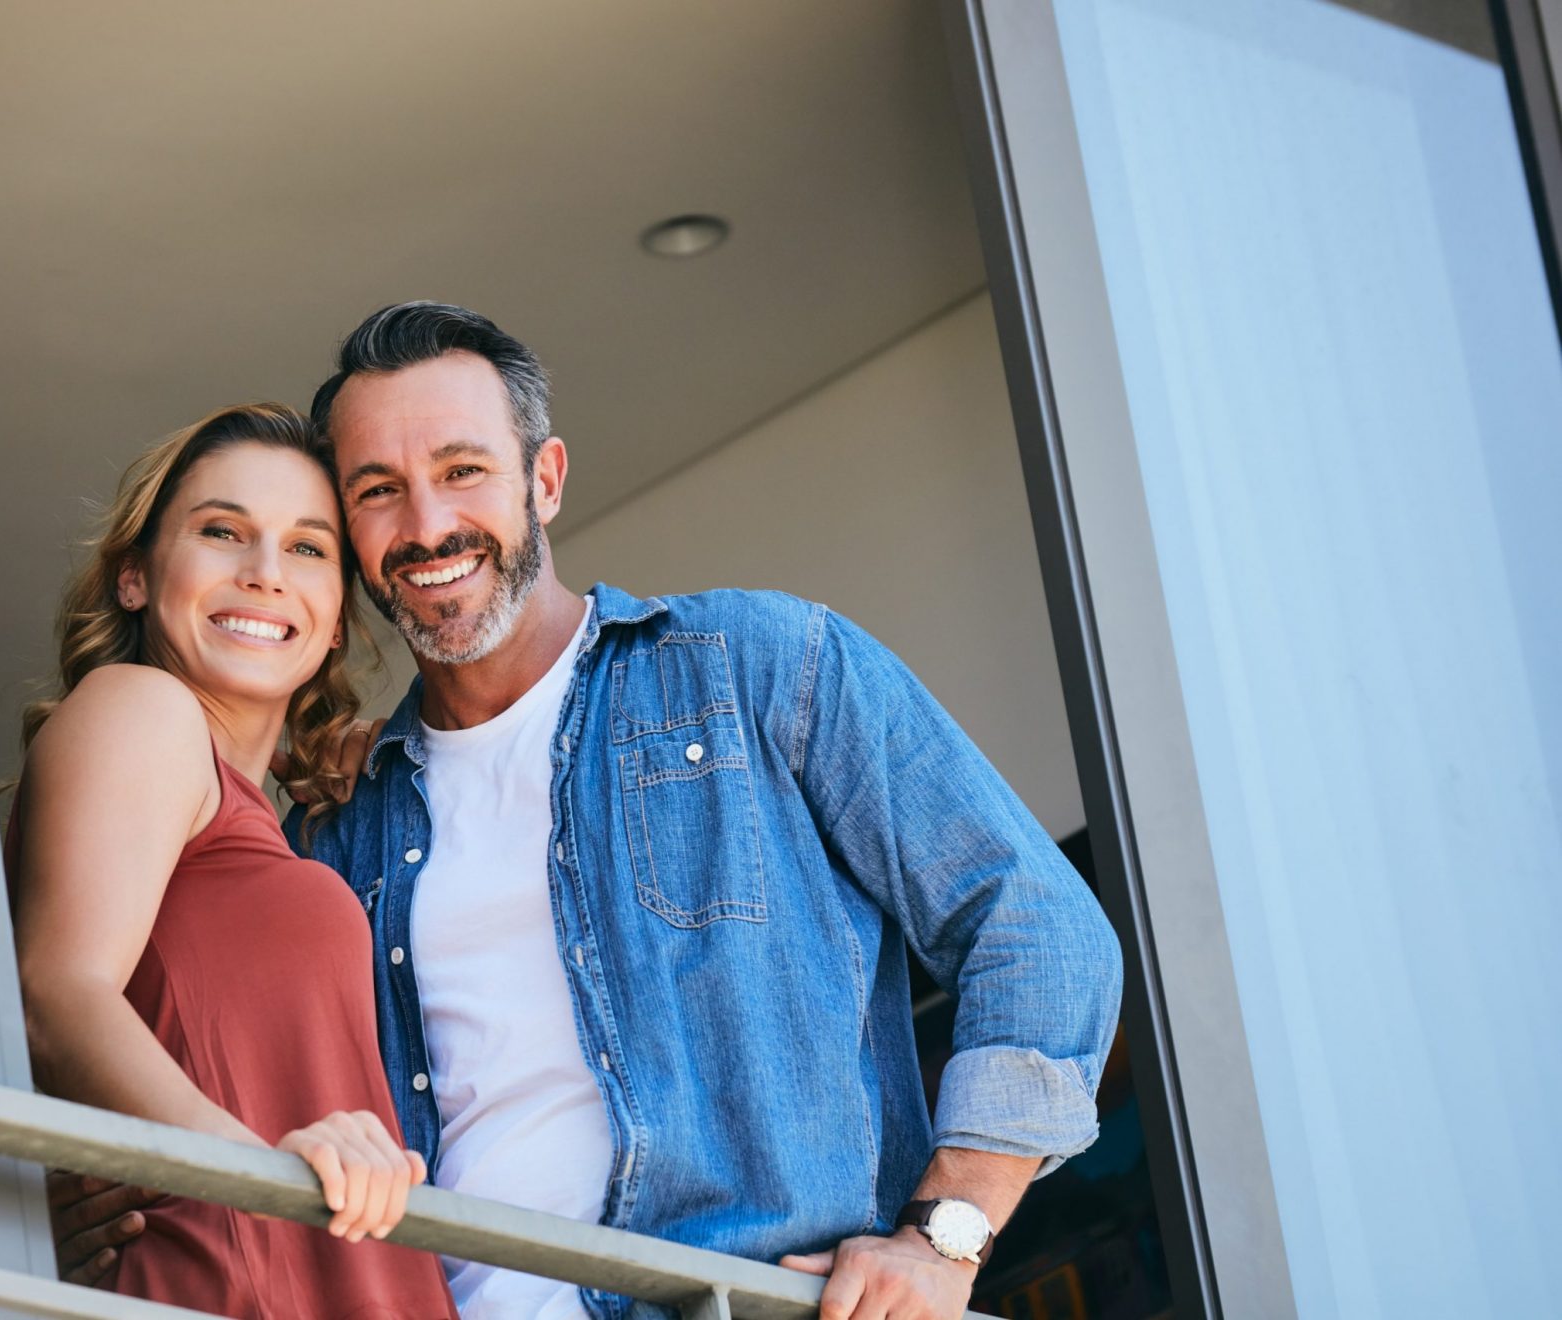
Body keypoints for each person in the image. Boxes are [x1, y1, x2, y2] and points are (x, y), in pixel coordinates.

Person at [56, 307, 1125, 1320]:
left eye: (462, 471)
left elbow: (1039, 931)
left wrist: (942, 1239)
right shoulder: (336, 836)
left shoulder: (761, 669)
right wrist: (97, 1204)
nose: (428, 525)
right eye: (378, 491)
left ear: (545, 479)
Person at [6, 403, 455, 1319]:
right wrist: (263, 1174)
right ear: (135, 577)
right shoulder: (139, 706)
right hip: (228, 1273)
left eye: (307, 549)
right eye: (223, 532)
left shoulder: (279, 824)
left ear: (334, 619)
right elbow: (58, 992)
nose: (263, 575)